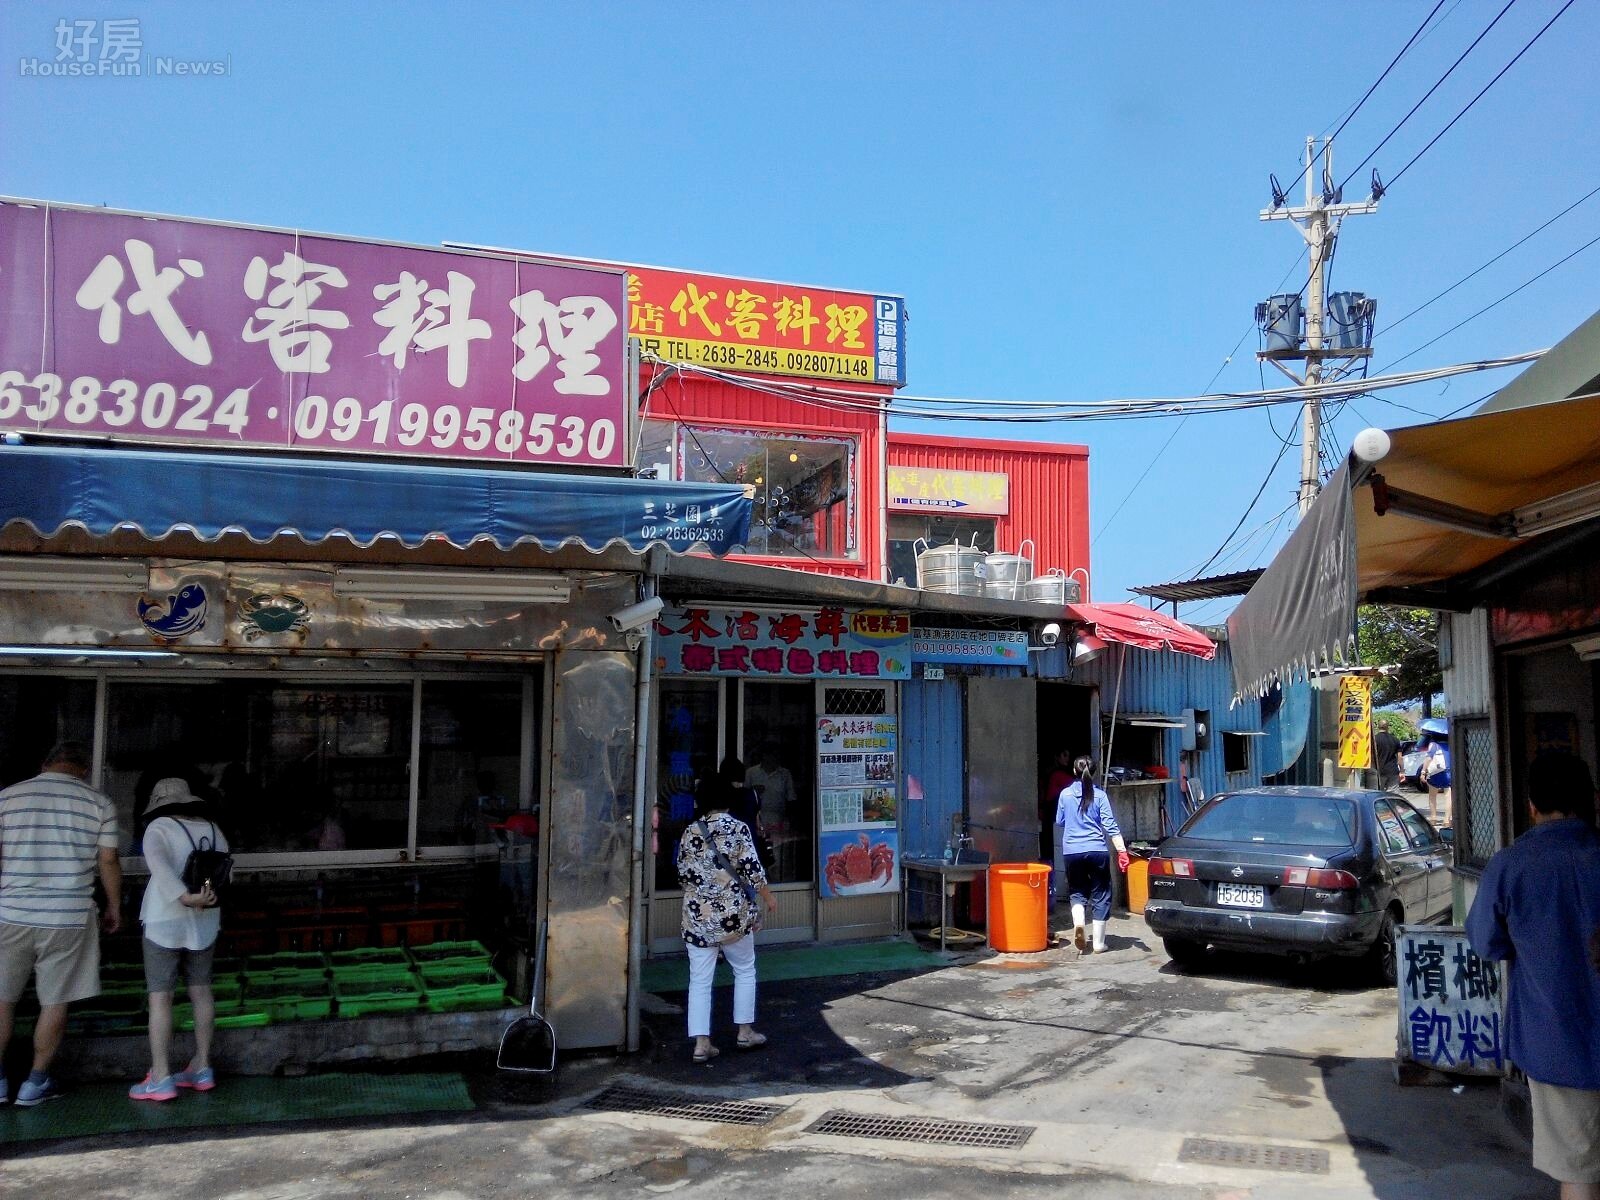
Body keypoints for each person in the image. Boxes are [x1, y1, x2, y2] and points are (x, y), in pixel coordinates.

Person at [1466, 751, 1600, 1200]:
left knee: (1578, 1171)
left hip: (1559, 1044)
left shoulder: (1512, 864)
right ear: (1591, 799)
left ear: (1532, 806)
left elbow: (1486, 942)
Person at [0, 741, 122, 1106]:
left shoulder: (7, 798)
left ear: (45, 764)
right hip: (67, 916)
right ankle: (35, 1083)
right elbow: (108, 861)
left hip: (10, 913)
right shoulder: (99, 803)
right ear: (83, 770)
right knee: (55, 1001)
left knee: (2, 999)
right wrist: (114, 906)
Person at [129, 777, 227, 1102]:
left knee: (161, 997)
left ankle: (160, 1076)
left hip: (164, 919)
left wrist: (184, 897)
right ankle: (202, 1066)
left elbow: (159, 868)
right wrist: (202, 898)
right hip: (205, 920)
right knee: (201, 991)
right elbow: (227, 872)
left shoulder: (158, 827)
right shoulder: (213, 829)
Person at [676, 767, 776, 1064]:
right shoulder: (738, 828)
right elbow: (753, 871)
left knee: (699, 980)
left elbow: (682, 874)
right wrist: (769, 898)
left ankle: (701, 1044)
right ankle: (745, 1032)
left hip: (698, 918)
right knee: (744, 969)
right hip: (734, 916)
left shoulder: (690, 831)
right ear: (728, 798)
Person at [1055, 756, 1129, 953]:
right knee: (1101, 893)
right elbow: (1110, 825)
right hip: (1097, 850)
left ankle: (1079, 924)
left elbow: (1060, 821)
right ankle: (1098, 943)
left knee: (1077, 891)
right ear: (1094, 773)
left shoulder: (1065, 795)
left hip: (1072, 852)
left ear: (1074, 771)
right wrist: (1122, 851)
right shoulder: (1100, 796)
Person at [746, 744, 797, 833]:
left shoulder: (785, 774)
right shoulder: (751, 773)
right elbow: (743, 796)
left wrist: (790, 821)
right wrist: (753, 791)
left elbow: (791, 798)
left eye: (777, 755)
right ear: (764, 756)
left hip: (778, 821)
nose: (774, 758)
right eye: (772, 755)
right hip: (755, 820)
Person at [1041, 749, 1076, 862]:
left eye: (1068, 756)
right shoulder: (1058, 774)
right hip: (1053, 810)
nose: (1067, 758)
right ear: (1057, 757)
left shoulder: (1051, 772)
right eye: (1064, 755)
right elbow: (1076, 785)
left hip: (1050, 810)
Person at [1421, 737, 1452, 823]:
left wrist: (1423, 771)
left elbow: (1429, 758)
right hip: (1448, 772)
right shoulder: (1451, 744)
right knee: (1448, 796)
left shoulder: (1434, 744)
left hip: (1435, 773)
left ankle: (1433, 818)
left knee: (1432, 795)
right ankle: (1447, 820)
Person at [1374, 724, 1401, 793]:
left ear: (1378, 727)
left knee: (1379, 793)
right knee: (1393, 793)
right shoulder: (1395, 739)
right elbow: (1400, 757)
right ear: (1387, 727)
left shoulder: (1374, 739)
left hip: (1379, 771)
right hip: (1393, 771)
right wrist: (1402, 770)